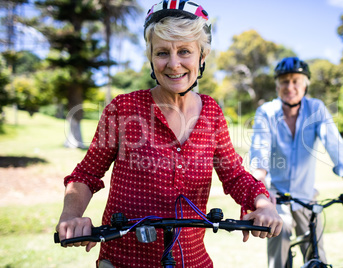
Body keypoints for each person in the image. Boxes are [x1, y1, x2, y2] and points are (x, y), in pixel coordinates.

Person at [55, 1, 282, 267]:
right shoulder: (123, 108)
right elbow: (87, 173)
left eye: (184, 51)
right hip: (125, 259)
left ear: (202, 55)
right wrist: (71, 215)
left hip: (193, 259)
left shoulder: (212, 112)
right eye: (162, 52)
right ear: (151, 57)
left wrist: (263, 203)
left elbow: (233, 175)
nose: (174, 64)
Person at [249, 57, 343, 268]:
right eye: (285, 81)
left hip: (307, 196)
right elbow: (260, 158)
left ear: (306, 84)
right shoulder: (266, 112)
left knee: (317, 255)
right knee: (281, 232)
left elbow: (337, 149)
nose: (290, 87)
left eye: (296, 81)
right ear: (277, 85)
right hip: (277, 197)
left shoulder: (316, 109)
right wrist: (259, 193)